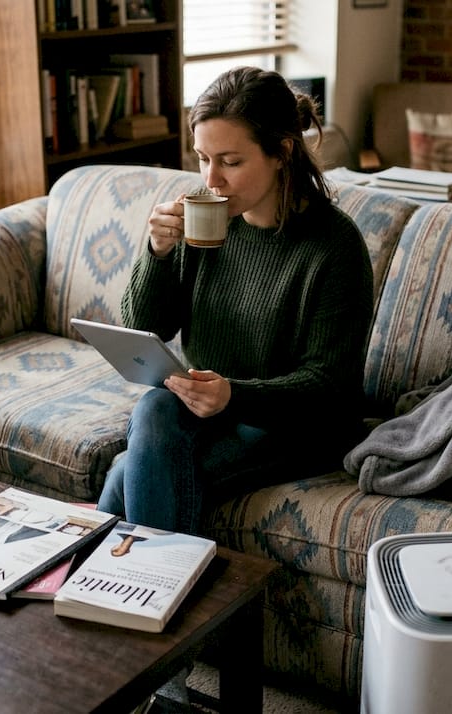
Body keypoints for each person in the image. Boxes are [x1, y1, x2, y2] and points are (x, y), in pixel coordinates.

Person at [96, 66, 375, 538]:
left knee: (126, 473)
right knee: (154, 408)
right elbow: (147, 327)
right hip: (207, 411)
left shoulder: (335, 247)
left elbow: (329, 386)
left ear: (282, 151)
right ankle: (133, 592)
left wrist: (234, 395)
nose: (212, 180)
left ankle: (112, 587)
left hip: (295, 428)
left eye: (230, 161)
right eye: (203, 158)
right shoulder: (205, 220)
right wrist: (158, 253)